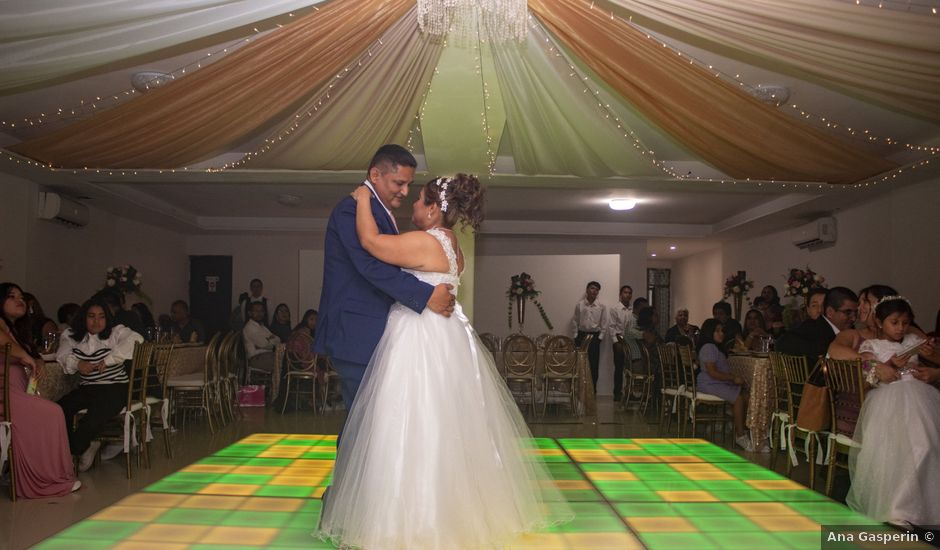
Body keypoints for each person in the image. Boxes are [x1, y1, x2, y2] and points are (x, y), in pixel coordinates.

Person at [318, 174, 571, 548]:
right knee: (445, 423)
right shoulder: (454, 245)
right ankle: (450, 511)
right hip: (446, 337)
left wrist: (361, 199)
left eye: (420, 201)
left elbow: (371, 243)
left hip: (417, 338)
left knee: (407, 421)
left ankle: (407, 520)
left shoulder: (425, 241)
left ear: (435, 209)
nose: (414, 207)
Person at [313, 144, 455, 412]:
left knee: (374, 424)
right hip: (357, 333)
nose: (404, 191)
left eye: (408, 185)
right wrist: (427, 295)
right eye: (399, 183)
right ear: (375, 175)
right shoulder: (351, 209)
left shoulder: (377, 211)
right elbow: (369, 265)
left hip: (374, 332)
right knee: (362, 424)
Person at [846, 296, 940, 526]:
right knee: (891, 452)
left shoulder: (914, 341)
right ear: (879, 322)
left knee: (925, 446)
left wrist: (930, 359)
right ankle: (896, 509)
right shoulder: (871, 346)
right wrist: (886, 366)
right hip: (887, 401)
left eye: (905, 323)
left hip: (920, 400)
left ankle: (924, 505)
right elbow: (866, 373)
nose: (900, 328)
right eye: (894, 322)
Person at [0, 283, 80, 497]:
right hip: (4, 394)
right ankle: (45, 480)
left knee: (50, 411)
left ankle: (52, 477)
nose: (20, 300)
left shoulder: (13, 328)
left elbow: (27, 353)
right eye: (12, 296)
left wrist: (35, 359)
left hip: (16, 391)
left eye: (21, 297)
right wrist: (26, 357)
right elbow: (4, 344)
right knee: (52, 412)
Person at [56, 296, 143, 471]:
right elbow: (63, 354)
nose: (97, 321)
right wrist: (78, 364)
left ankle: (75, 449)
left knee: (97, 411)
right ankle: (81, 446)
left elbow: (137, 339)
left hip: (116, 387)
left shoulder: (115, 332)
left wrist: (110, 359)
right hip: (88, 387)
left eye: (101, 316)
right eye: (91, 316)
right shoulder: (72, 336)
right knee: (59, 409)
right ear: (83, 317)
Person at [696, 319, 750, 451]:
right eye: (717, 331)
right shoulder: (709, 347)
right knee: (738, 398)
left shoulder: (715, 347)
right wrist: (733, 378)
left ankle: (744, 427)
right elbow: (713, 372)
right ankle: (740, 435)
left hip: (714, 382)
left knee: (745, 394)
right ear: (710, 333)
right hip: (710, 383)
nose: (721, 334)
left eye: (722, 331)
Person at [776, 287, 858, 366]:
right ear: (830, 312)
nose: (854, 318)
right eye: (848, 313)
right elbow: (782, 343)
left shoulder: (851, 330)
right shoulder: (811, 330)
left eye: (856, 313)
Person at [570, 281, 607, 393]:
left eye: (596, 289)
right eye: (592, 288)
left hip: (594, 337)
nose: (594, 291)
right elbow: (575, 321)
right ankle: (579, 389)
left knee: (593, 363)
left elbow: (604, 324)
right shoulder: (579, 305)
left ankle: (592, 390)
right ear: (587, 290)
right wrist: (576, 336)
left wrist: (600, 338)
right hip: (581, 336)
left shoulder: (601, 306)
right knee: (580, 363)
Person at [607, 285, 634, 402]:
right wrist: (615, 342)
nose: (627, 295)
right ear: (620, 294)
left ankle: (630, 391)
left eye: (629, 293)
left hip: (631, 342)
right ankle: (617, 393)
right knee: (619, 368)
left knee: (631, 367)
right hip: (619, 340)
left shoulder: (633, 310)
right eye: (625, 292)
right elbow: (611, 326)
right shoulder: (615, 309)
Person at [243, 301, 279, 377]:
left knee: (286, 359)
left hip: (267, 354)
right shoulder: (249, 327)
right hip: (256, 358)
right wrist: (270, 339)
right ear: (249, 313)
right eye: (256, 311)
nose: (259, 313)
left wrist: (268, 339)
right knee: (282, 362)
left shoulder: (262, 326)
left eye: (261, 311)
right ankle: (278, 387)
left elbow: (278, 340)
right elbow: (264, 344)